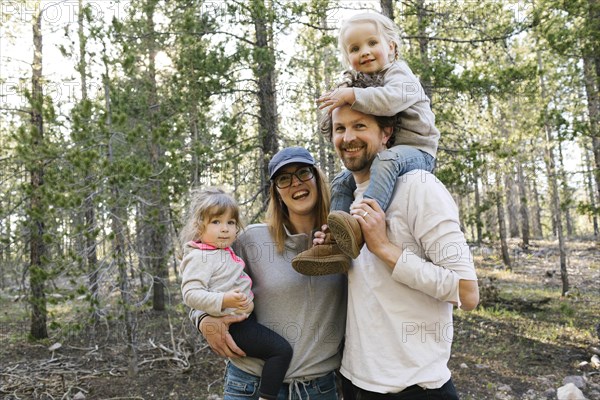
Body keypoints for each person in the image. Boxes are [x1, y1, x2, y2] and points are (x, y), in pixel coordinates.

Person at [315, 72, 479, 398]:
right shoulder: (346, 201)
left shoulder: (420, 187)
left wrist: (384, 248)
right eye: (340, 128)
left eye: (360, 126)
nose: (348, 137)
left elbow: (467, 293)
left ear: (386, 132)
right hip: (354, 379)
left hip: (415, 386)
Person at [189, 148, 347, 400]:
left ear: (317, 177)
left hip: (317, 389)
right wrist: (203, 320)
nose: (295, 182)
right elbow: (203, 280)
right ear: (277, 193)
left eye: (303, 173)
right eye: (284, 178)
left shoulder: (343, 242)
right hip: (250, 384)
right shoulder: (252, 239)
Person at [292, 11, 439, 275]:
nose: (365, 52)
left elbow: (390, 100)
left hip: (418, 151)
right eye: (355, 48)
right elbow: (359, 91)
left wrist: (351, 94)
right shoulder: (368, 80)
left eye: (373, 43)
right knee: (340, 181)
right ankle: (336, 240)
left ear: (391, 47)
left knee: (385, 160)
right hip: (393, 153)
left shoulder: (400, 75)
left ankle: (361, 223)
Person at [180, 187, 293, 400]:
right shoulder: (200, 257)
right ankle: (267, 396)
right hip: (235, 325)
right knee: (281, 351)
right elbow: (190, 294)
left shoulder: (223, 251)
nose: (225, 229)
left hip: (244, 319)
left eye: (230, 222)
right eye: (216, 222)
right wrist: (224, 300)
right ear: (199, 226)